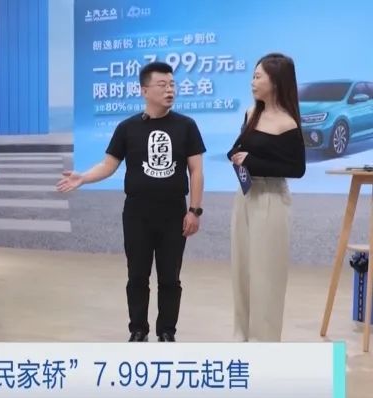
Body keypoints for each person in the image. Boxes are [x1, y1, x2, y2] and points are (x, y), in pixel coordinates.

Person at [57, 62, 206, 342]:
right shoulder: (127, 128)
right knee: (137, 275)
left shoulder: (186, 126)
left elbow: (196, 170)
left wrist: (194, 211)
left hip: (174, 212)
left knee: (170, 277)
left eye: (172, 85)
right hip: (137, 213)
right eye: (162, 85)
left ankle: (167, 332)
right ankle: (138, 330)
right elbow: (108, 165)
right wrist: (83, 177)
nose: (169, 90)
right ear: (144, 90)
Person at [227, 53, 305, 342]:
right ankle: (241, 338)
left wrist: (252, 161)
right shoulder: (251, 113)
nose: (253, 81)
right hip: (245, 196)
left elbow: (296, 169)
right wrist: (237, 156)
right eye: (253, 75)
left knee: (266, 275)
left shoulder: (288, 123)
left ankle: (265, 343)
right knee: (242, 271)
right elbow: (239, 148)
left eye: (258, 76)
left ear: (275, 81)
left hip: (271, 199)